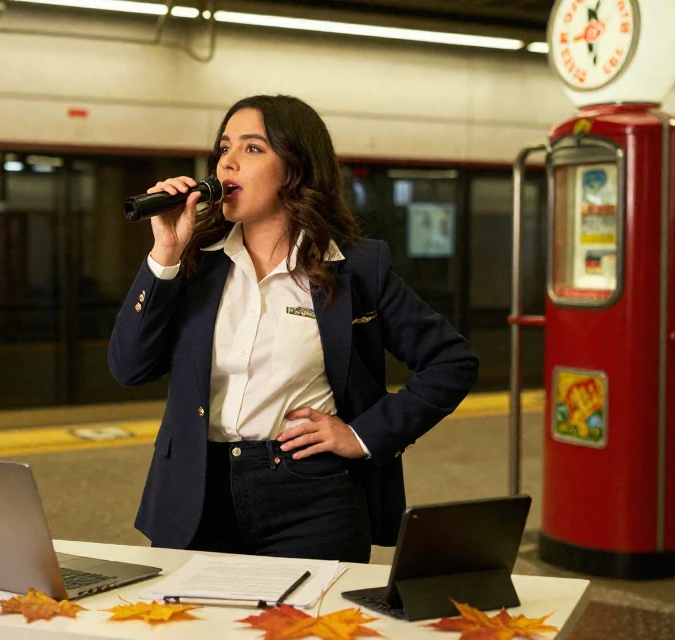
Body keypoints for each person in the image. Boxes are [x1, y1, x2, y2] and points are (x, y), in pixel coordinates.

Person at [108, 94, 479, 562]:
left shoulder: (356, 268)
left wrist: (363, 435)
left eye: (252, 149)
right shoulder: (194, 264)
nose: (228, 163)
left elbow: (453, 361)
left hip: (314, 499)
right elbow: (128, 368)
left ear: (296, 169)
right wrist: (165, 252)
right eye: (224, 148)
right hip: (199, 496)